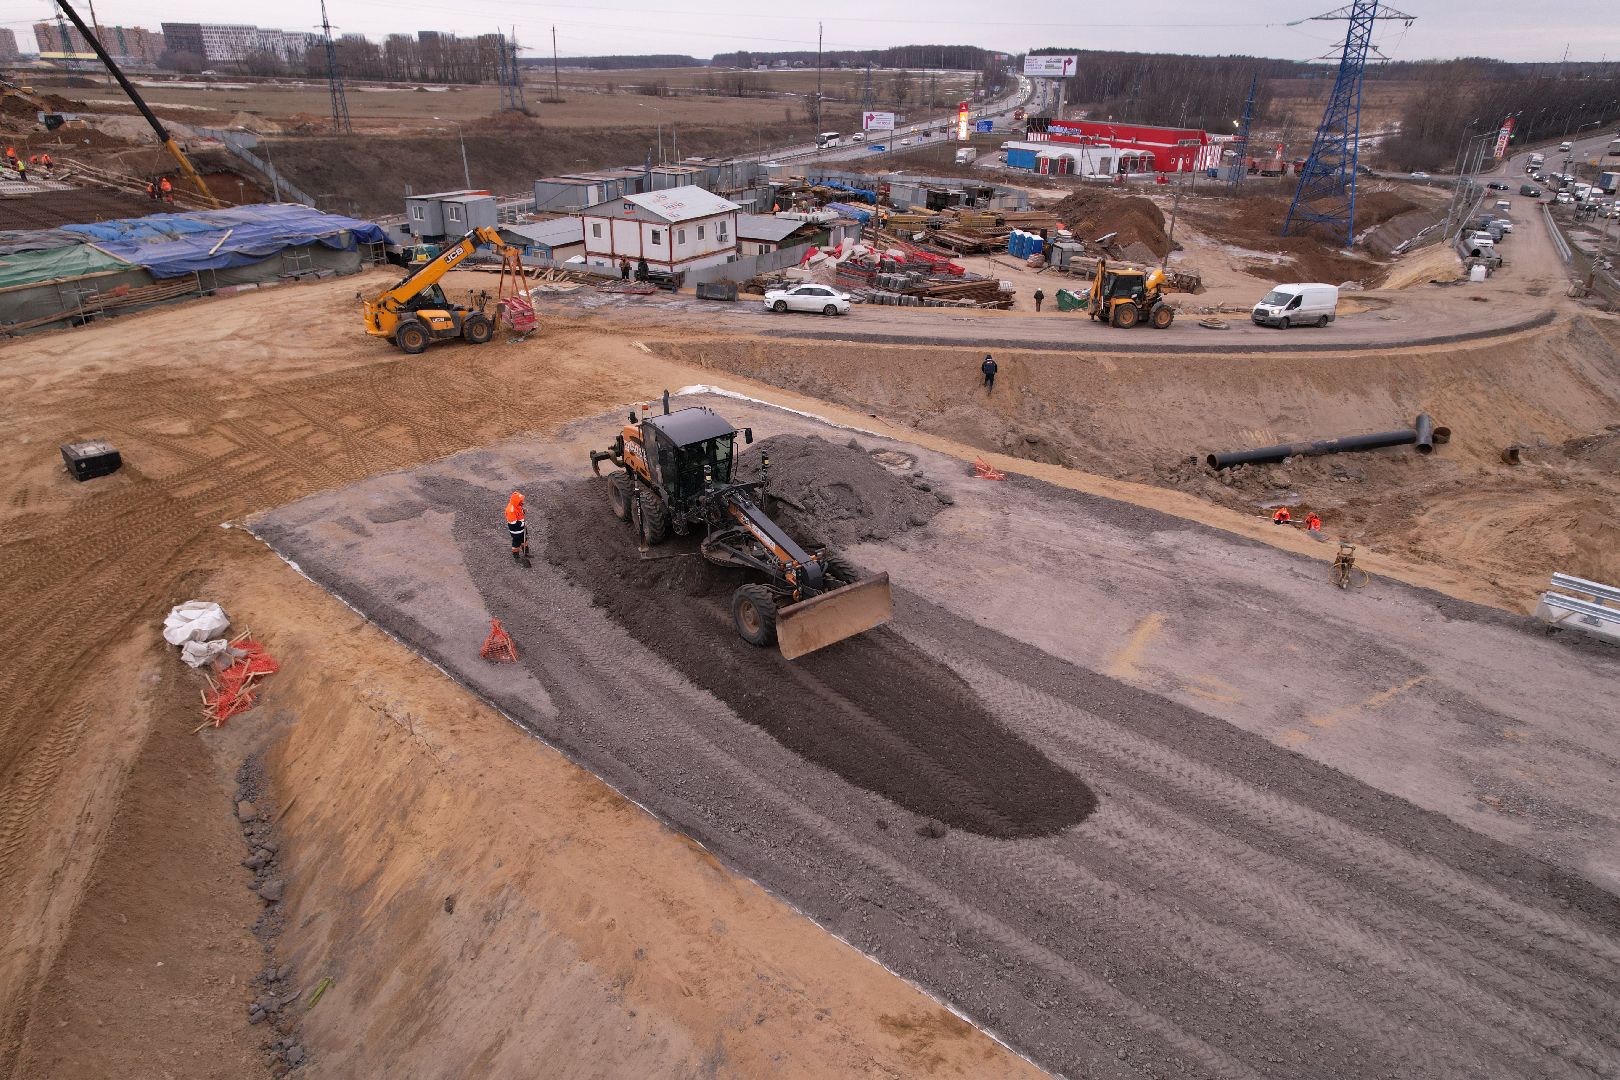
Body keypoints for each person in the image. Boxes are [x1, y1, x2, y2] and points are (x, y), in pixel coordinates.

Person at [504, 491, 529, 565]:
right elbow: (514, 523)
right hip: (516, 530)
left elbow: (519, 512)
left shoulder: (517, 505)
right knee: (516, 542)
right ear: (516, 501)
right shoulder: (510, 510)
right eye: (521, 501)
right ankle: (516, 556)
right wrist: (523, 524)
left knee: (524, 539)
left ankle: (526, 552)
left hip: (522, 528)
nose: (522, 502)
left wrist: (523, 511)